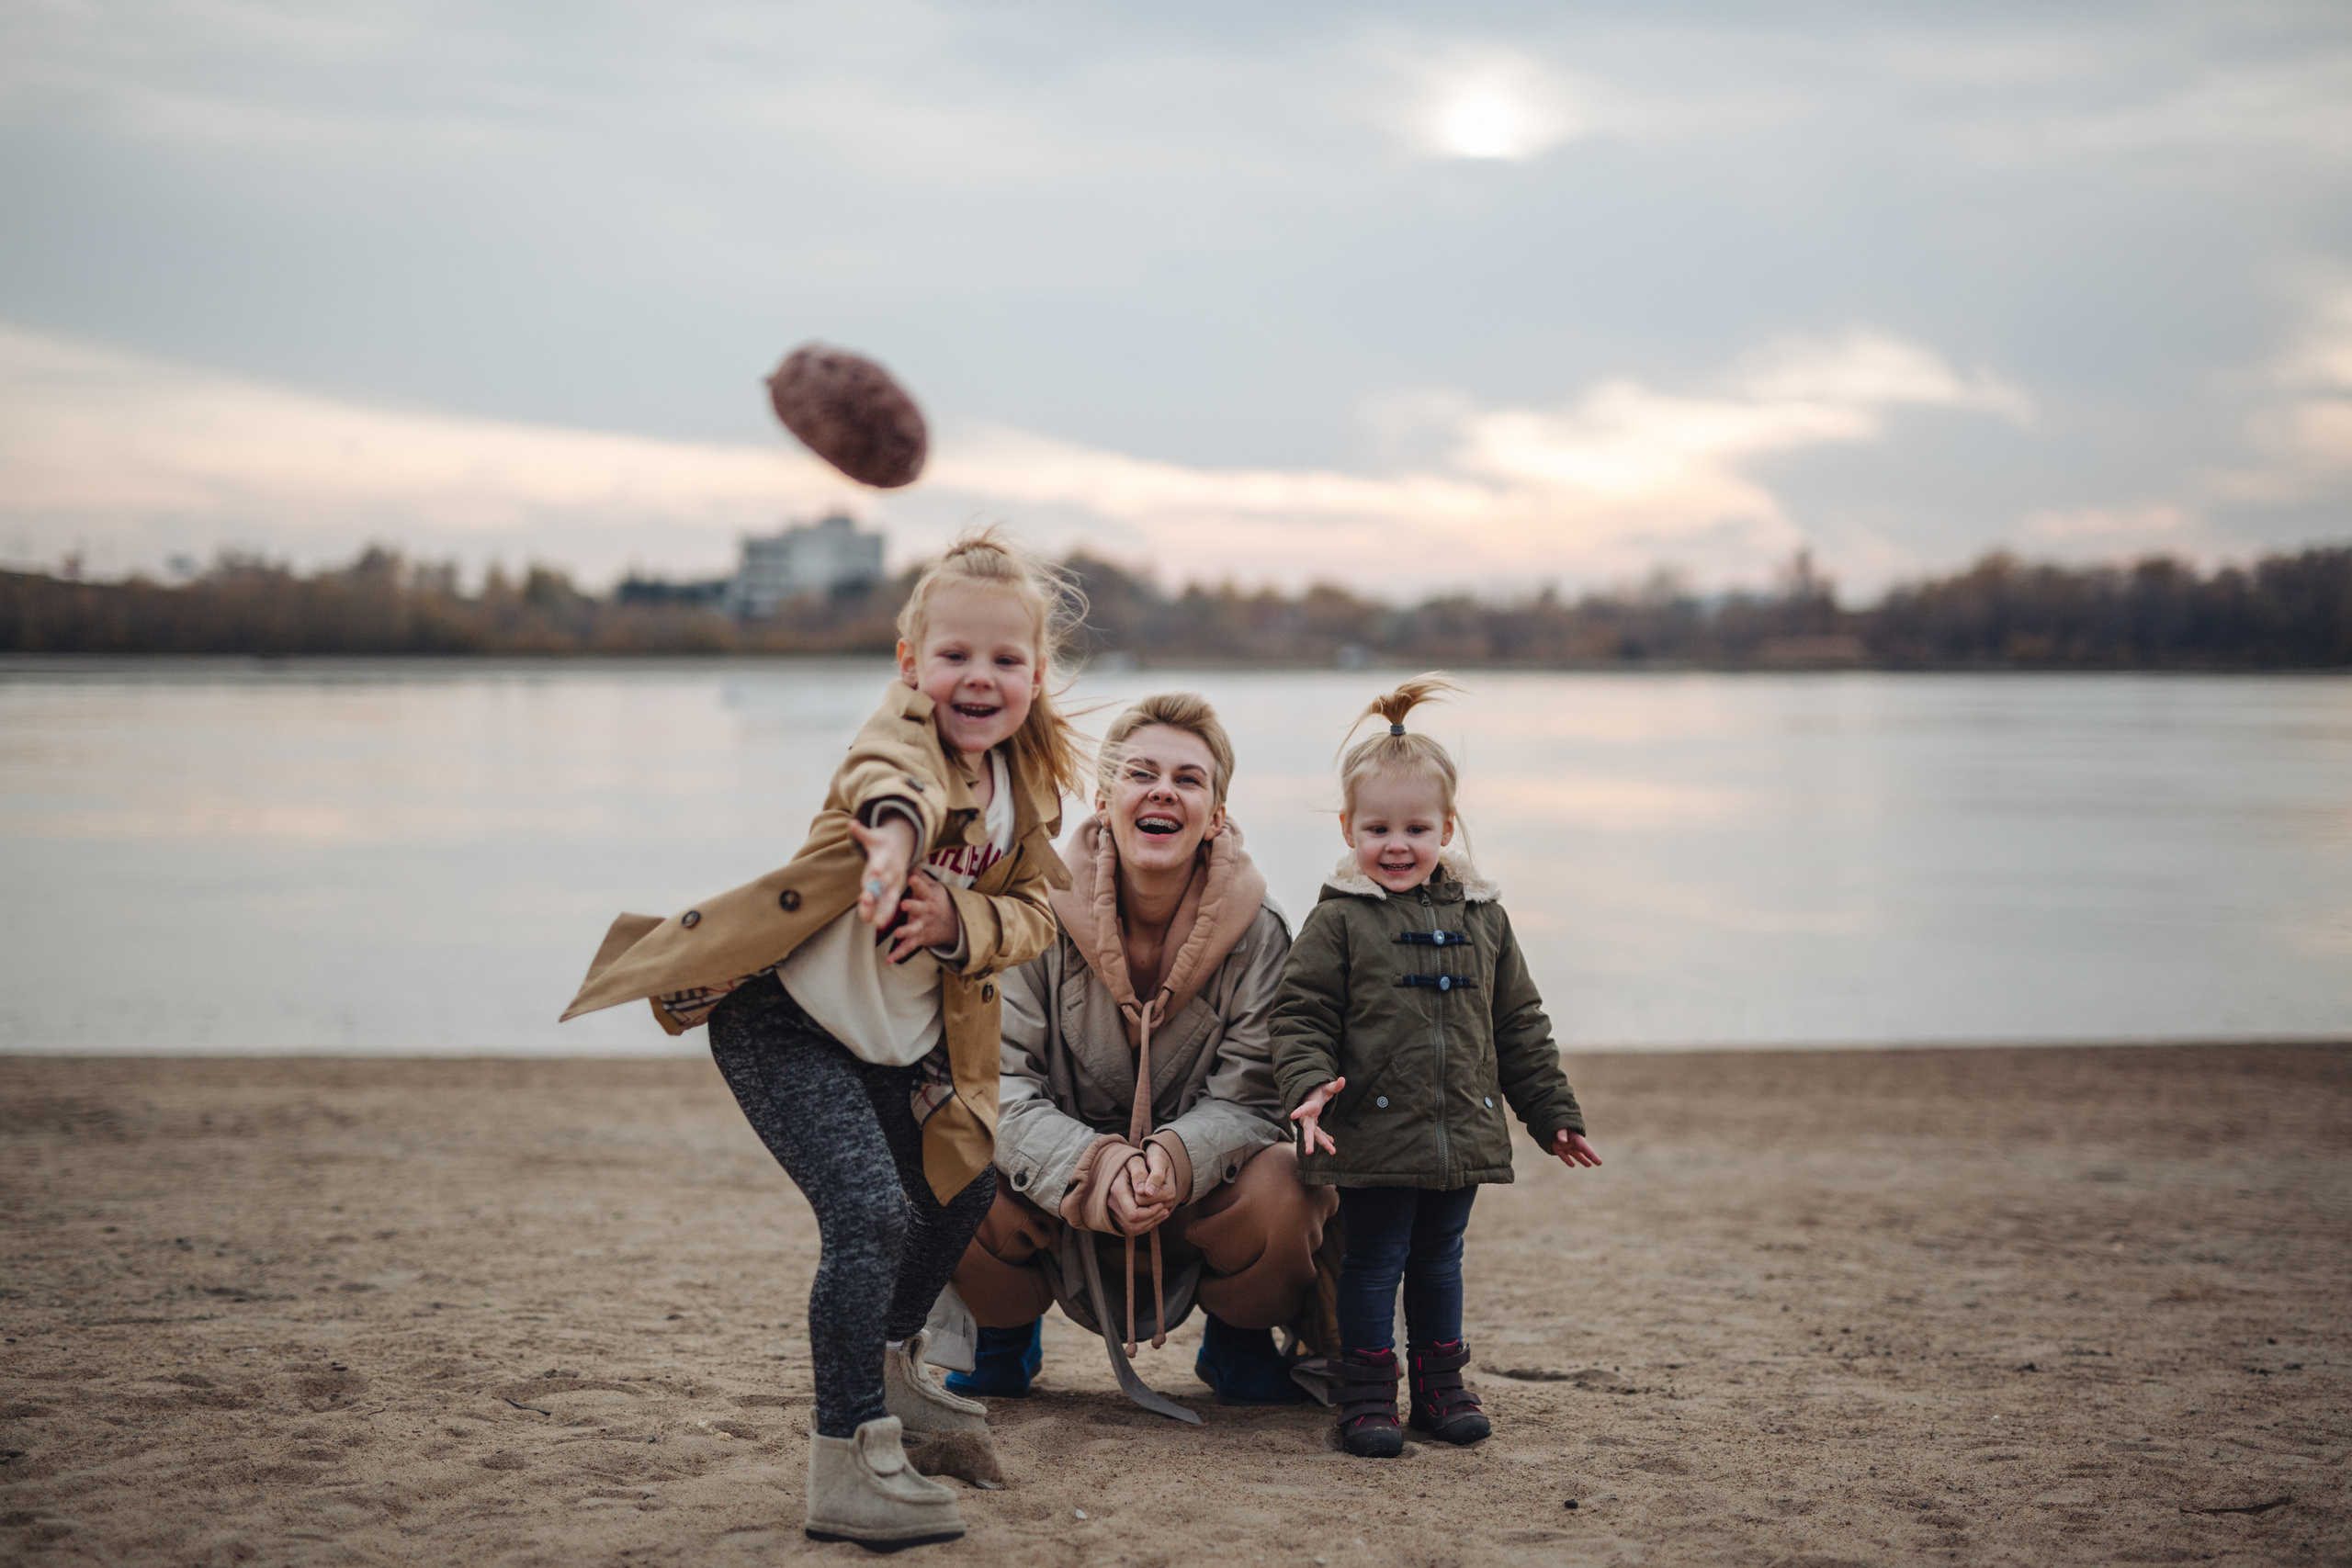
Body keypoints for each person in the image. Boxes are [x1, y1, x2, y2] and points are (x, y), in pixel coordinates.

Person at [560, 528, 1088, 1548]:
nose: (978, 678)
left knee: (964, 1182)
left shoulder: (1029, 788)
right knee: (867, 1214)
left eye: (1005, 660)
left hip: (899, 1046)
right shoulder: (894, 740)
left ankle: (895, 1375)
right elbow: (887, 786)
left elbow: (1032, 914)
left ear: (1035, 674)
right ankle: (845, 1455)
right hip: (787, 1024)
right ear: (909, 666)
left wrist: (956, 920)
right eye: (954, 657)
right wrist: (892, 846)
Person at [947, 693, 1339, 1412]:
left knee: (1293, 1181)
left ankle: (1239, 1342)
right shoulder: (1032, 913)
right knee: (946, 1152)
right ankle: (1000, 1336)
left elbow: (1254, 1098)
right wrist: (1095, 1167)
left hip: (1190, 1202)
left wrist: (1171, 1160)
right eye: (1141, 773)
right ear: (1103, 799)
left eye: (1188, 779)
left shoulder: (1265, 935)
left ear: (1215, 814)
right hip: (1055, 1194)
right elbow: (995, 1082)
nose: (1164, 790)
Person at [1272, 675, 1602, 1459]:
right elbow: (1302, 1014)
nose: (1397, 844)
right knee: (1373, 1264)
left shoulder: (1483, 916)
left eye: (1416, 827)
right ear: (1349, 826)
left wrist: (1552, 1112)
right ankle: (1363, 1396)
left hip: (1460, 1134)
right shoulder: (1339, 919)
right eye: (1378, 827)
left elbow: (1518, 1022)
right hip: (1375, 1138)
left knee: (1440, 1264)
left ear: (1446, 827)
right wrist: (1307, 1087)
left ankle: (1440, 1388)